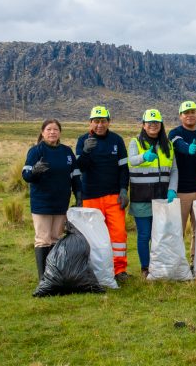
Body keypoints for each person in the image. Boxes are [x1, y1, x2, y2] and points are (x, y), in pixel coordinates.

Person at [75, 106, 131, 282]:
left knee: (118, 235)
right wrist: (85, 151)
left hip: (114, 196)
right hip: (90, 196)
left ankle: (119, 270)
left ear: (109, 121)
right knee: (92, 236)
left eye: (103, 121)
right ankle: (93, 270)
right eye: (96, 121)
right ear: (90, 122)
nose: (100, 125)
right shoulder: (83, 140)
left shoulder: (117, 140)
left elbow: (124, 168)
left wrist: (124, 189)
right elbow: (79, 168)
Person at [22, 119, 81, 284]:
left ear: (60, 132)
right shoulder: (35, 151)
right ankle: (43, 279)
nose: (52, 132)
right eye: (49, 129)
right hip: (42, 202)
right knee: (43, 239)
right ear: (42, 132)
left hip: (61, 202)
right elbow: (26, 176)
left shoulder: (67, 152)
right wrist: (34, 171)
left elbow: (75, 176)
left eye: (55, 129)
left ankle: (54, 275)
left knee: (56, 238)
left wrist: (79, 194)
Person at [128, 109, 178, 278]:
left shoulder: (168, 145)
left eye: (156, 123)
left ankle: (159, 265)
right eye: (149, 123)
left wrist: (172, 188)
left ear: (161, 125)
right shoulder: (135, 142)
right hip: (141, 197)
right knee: (144, 234)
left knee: (161, 234)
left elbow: (174, 170)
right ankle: (145, 268)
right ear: (143, 125)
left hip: (162, 197)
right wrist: (144, 156)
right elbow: (132, 161)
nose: (153, 126)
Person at [168, 101, 196, 262]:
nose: (190, 115)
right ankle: (177, 262)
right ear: (180, 116)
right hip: (180, 191)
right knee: (177, 229)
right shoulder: (174, 133)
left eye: (193, 112)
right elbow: (178, 144)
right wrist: (188, 149)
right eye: (186, 112)